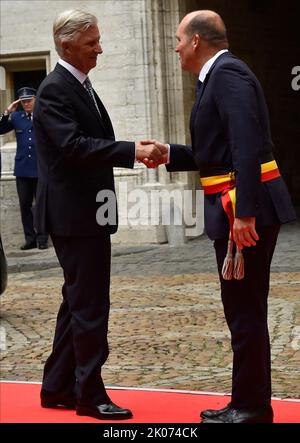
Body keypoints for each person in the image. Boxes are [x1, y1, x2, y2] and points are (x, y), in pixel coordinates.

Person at [146, 10, 296, 423]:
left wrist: (245, 212)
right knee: (241, 309)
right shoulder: (218, 76)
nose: (175, 47)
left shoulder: (227, 74)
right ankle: (244, 401)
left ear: (196, 41)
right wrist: (170, 154)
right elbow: (217, 150)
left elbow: (246, 144)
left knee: (245, 311)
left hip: (243, 210)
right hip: (234, 206)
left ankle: (251, 407)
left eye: (178, 39)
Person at [33, 9, 166, 421]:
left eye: (99, 40)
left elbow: (91, 141)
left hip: (86, 212)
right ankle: (89, 394)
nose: (100, 49)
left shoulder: (80, 86)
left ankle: (56, 386)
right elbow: (74, 147)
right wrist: (131, 151)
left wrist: (130, 147)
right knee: (90, 307)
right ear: (66, 44)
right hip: (74, 216)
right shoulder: (56, 89)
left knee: (75, 301)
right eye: (91, 43)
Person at [0, 87, 49, 250]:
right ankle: (30, 239)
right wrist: (7, 112)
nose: (26, 104)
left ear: (35, 100)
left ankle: (42, 238)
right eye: (23, 101)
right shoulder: (16, 117)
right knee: (25, 205)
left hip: (40, 168)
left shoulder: (43, 115)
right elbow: (1, 130)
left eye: (29, 100)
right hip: (22, 169)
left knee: (41, 205)